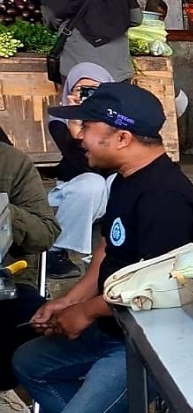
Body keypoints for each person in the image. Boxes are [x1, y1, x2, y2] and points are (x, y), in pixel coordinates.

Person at [12, 82, 193, 413]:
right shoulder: (125, 178)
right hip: (118, 326)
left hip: (155, 341)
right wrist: (71, 301)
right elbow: (109, 251)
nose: (77, 135)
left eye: (87, 126)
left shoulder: (165, 195)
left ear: (123, 137)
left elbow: (158, 286)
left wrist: (86, 313)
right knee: (30, 361)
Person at [0, 139, 60, 413]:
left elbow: (45, 234)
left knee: (26, 313)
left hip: (6, 281)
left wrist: (5, 211)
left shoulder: (10, 162)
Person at [45, 63, 116, 279]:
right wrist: (76, 120)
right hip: (75, 191)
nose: (86, 95)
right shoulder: (59, 120)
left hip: (106, 195)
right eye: (79, 89)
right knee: (91, 183)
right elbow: (80, 161)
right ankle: (55, 252)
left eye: (93, 90)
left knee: (117, 180)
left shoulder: (117, 119)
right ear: (68, 92)